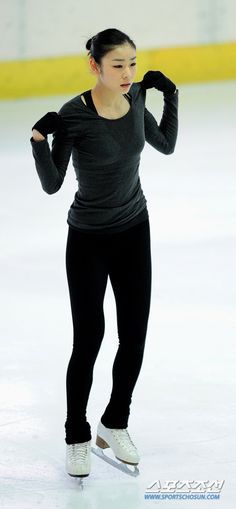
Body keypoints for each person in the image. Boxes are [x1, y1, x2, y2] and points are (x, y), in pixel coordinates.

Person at [31, 28, 178, 478]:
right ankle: (77, 434)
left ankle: (115, 422)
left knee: (134, 336)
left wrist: (170, 96)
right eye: (118, 65)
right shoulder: (74, 116)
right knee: (89, 339)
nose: (129, 73)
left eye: (133, 63)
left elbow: (165, 144)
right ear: (94, 66)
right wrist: (40, 140)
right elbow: (53, 184)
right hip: (89, 239)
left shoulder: (134, 101)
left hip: (135, 230)